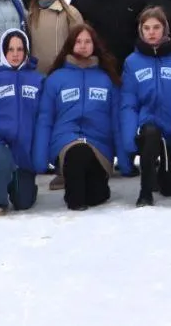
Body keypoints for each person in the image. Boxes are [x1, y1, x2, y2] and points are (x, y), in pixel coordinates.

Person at [33, 24, 129, 210]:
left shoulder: (107, 78)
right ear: (70, 45)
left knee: (95, 196)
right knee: (78, 158)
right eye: (78, 41)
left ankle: (92, 186)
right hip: (66, 142)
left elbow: (117, 121)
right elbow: (45, 120)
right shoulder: (56, 79)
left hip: (99, 146)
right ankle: (72, 191)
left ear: (95, 45)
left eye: (87, 41)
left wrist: (124, 161)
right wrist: (40, 159)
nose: (83, 46)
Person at [120, 8, 171, 207]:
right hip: (146, 128)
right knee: (151, 132)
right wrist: (129, 139)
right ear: (141, 31)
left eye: (156, 27)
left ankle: (165, 170)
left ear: (165, 29)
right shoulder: (132, 62)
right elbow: (128, 104)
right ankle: (145, 191)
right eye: (146, 28)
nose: (151, 32)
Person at [0, 29, 42, 216]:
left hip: (26, 149)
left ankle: (20, 185)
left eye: (20, 49)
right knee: (1, 161)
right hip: (0, 143)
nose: (15, 54)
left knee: (23, 202)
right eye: (10, 49)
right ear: (3, 51)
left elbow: (43, 120)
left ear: (26, 51)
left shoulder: (37, 80)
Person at [27, 0, 84, 76]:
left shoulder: (70, 13)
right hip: (37, 74)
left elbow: (80, 42)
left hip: (64, 73)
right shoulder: (30, 15)